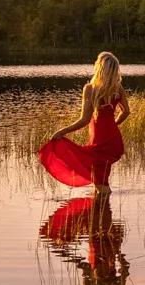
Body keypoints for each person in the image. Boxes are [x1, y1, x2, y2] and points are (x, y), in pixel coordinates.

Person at [39, 52, 129, 194]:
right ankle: (100, 207)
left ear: (99, 67)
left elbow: (84, 120)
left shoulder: (90, 88)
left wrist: (62, 131)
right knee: (100, 178)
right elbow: (126, 112)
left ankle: (104, 205)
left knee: (101, 184)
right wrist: (113, 125)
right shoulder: (117, 88)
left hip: (100, 142)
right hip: (113, 139)